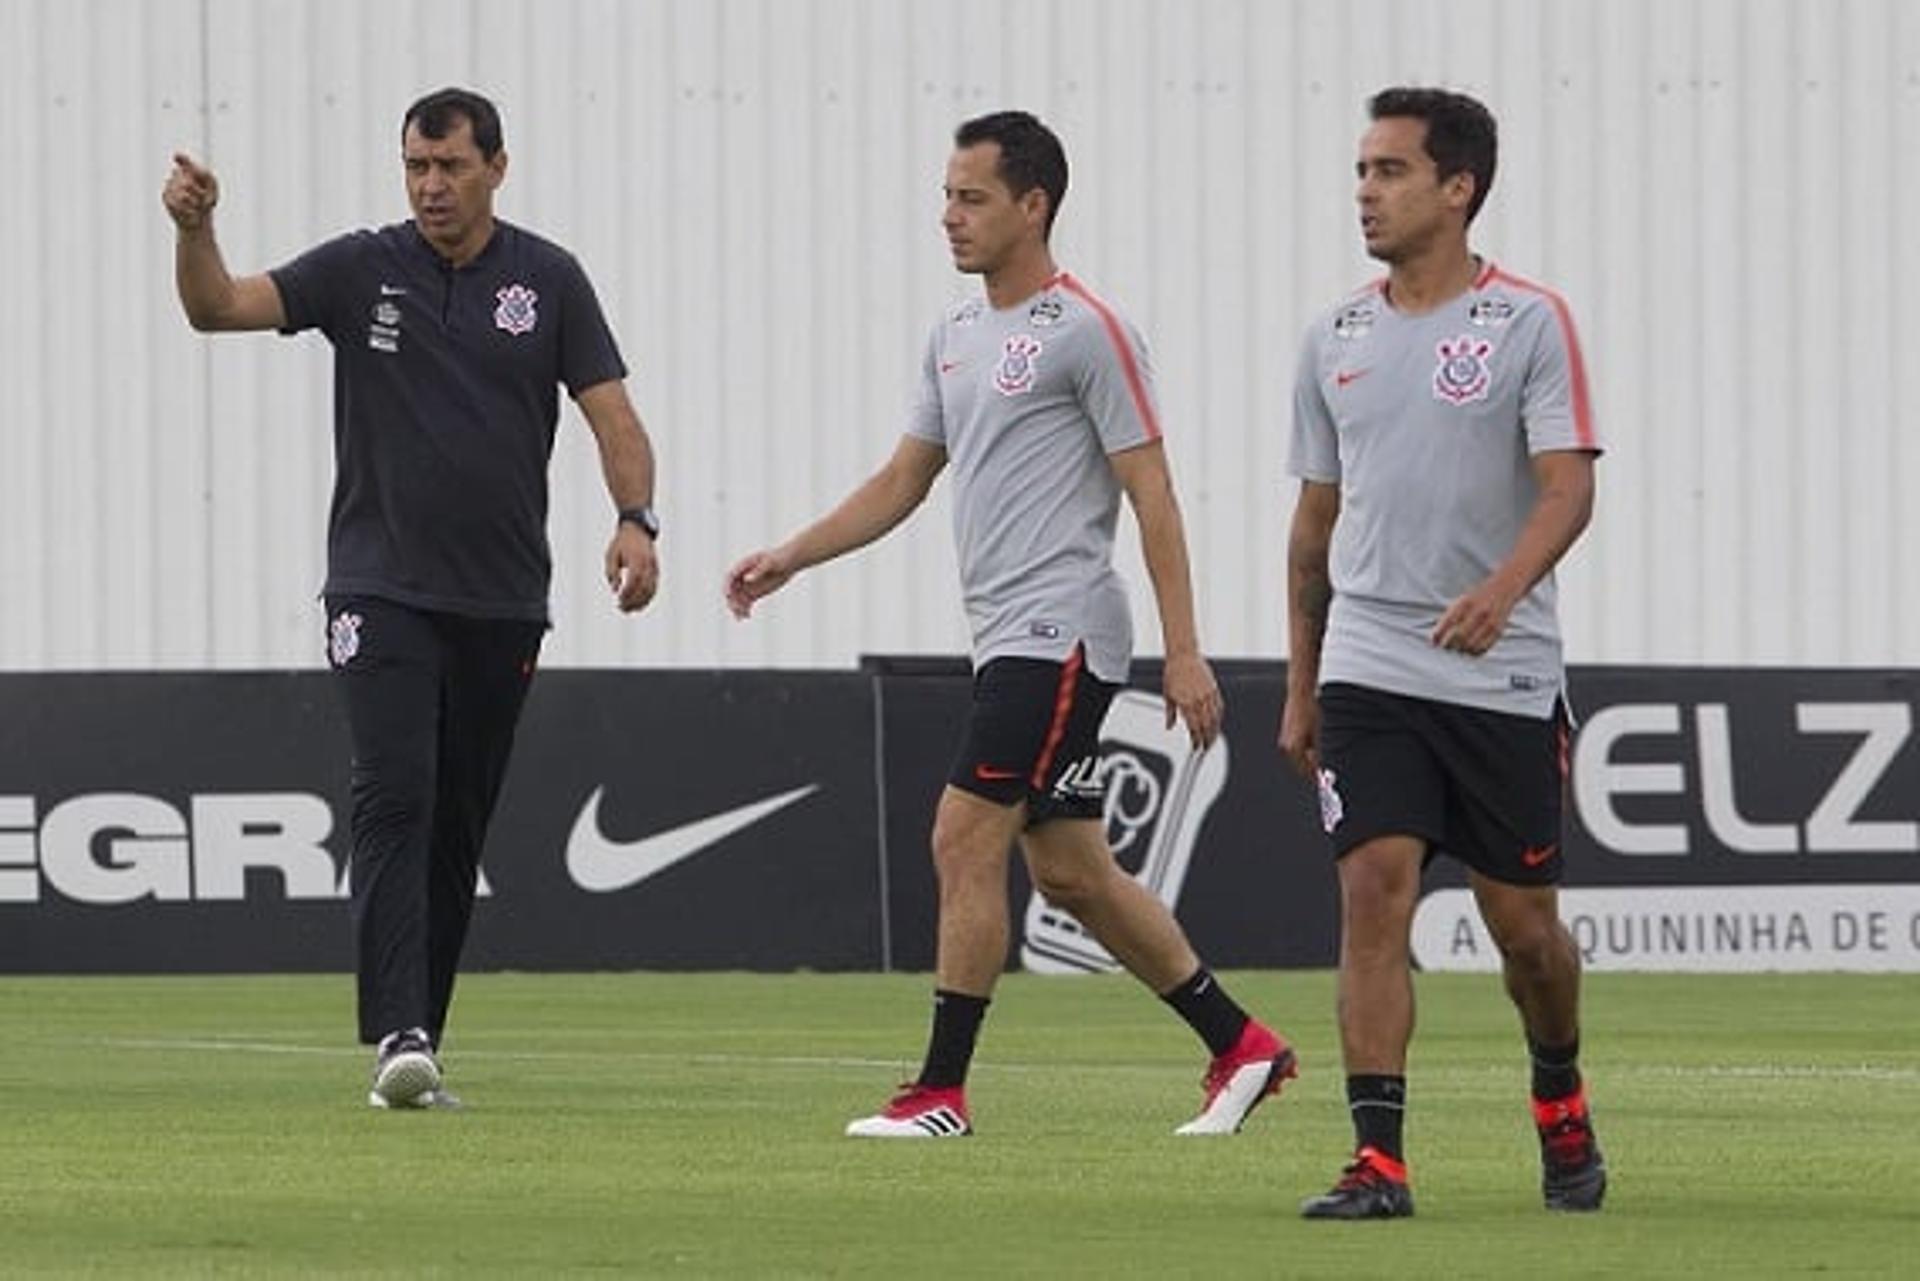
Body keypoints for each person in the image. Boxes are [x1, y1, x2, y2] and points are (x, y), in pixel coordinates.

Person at [727, 110, 1294, 1139]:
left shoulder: (1087, 330)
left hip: (1062, 633)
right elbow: (904, 478)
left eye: (972, 197)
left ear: (1033, 206)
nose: (949, 216)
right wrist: (790, 555)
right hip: (1009, 640)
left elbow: (1153, 492)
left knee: (962, 833)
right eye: (947, 195)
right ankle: (1242, 1046)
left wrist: (1187, 651)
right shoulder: (952, 335)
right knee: (1073, 873)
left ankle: (940, 1092)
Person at [162, 87, 660, 1109]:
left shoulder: (549, 280)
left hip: (505, 599)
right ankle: (396, 1030)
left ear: (497, 169)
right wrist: (197, 228)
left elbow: (610, 410)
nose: (431, 187)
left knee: (458, 822)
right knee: (395, 795)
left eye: (450, 168)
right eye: (416, 168)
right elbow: (218, 308)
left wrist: (636, 520)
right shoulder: (359, 269)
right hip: (377, 588)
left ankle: (417, 1033)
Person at [1281, 87, 1605, 1217]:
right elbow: (1315, 524)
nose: (1365, 191)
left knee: (1526, 935)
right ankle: (1378, 1162)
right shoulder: (1335, 335)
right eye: (1362, 170)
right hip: (1369, 662)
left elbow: (1570, 488)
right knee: (1374, 889)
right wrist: (1300, 679)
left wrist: (1503, 589)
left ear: (1457, 187)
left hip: (1502, 671)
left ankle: (1559, 1096)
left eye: (1390, 171)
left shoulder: (1528, 323)